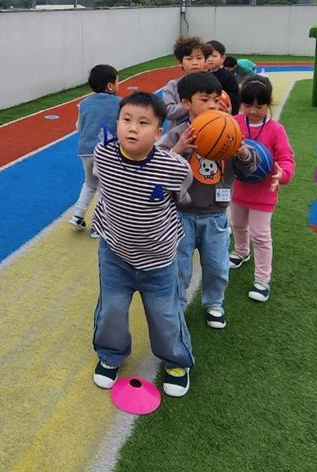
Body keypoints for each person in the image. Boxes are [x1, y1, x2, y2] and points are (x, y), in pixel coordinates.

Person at [90, 91, 194, 398]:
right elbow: (99, 182)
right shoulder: (103, 154)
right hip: (115, 253)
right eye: (126, 119)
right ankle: (110, 355)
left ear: (159, 132)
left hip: (159, 260)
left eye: (143, 122)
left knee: (165, 314)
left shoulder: (174, 167)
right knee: (111, 308)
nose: (132, 128)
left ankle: (176, 361)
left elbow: (181, 197)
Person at [159, 73, 258, 329]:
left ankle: (214, 302)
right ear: (186, 103)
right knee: (179, 267)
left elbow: (248, 169)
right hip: (180, 215)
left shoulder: (229, 130)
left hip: (215, 215)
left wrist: (242, 151)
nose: (213, 105)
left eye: (216, 99)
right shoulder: (178, 134)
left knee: (216, 265)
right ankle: (177, 305)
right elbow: (158, 169)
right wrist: (179, 150)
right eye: (204, 100)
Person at [229, 75, 295, 303]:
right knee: (237, 224)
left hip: (264, 192)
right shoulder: (235, 123)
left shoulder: (276, 130)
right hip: (239, 189)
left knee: (261, 236)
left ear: (269, 104)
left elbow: (286, 158)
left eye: (260, 106)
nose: (253, 111)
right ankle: (241, 252)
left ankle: (262, 279)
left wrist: (282, 174)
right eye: (248, 105)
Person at [68, 64, 119, 236]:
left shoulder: (84, 104)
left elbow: (78, 127)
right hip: (107, 152)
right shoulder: (120, 103)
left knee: (89, 184)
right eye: (117, 81)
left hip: (85, 150)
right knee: (107, 188)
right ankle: (99, 226)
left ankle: (78, 215)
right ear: (110, 86)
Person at [160, 35, 207, 131]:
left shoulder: (211, 84)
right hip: (178, 135)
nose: (195, 62)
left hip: (206, 132)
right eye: (189, 59)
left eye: (199, 58)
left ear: (205, 60)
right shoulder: (173, 86)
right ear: (180, 62)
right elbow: (167, 112)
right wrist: (190, 104)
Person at [203, 39, 240, 114]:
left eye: (214, 56)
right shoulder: (203, 76)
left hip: (223, 113)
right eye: (207, 56)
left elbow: (235, 99)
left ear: (222, 58)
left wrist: (232, 114)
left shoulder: (229, 77)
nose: (210, 59)